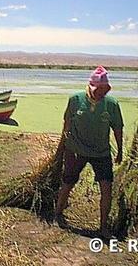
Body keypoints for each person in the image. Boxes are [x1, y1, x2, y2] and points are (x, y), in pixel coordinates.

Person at [54, 65, 124, 239]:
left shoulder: (112, 104)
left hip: (101, 153)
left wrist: (120, 150)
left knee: (106, 188)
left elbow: (117, 128)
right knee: (68, 182)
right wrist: (61, 148)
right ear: (92, 87)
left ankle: (103, 227)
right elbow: (67, 124)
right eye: (99, 89)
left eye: (105, 90)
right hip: (76, 149)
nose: (102, 93)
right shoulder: (75, 100)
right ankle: (58, 214)